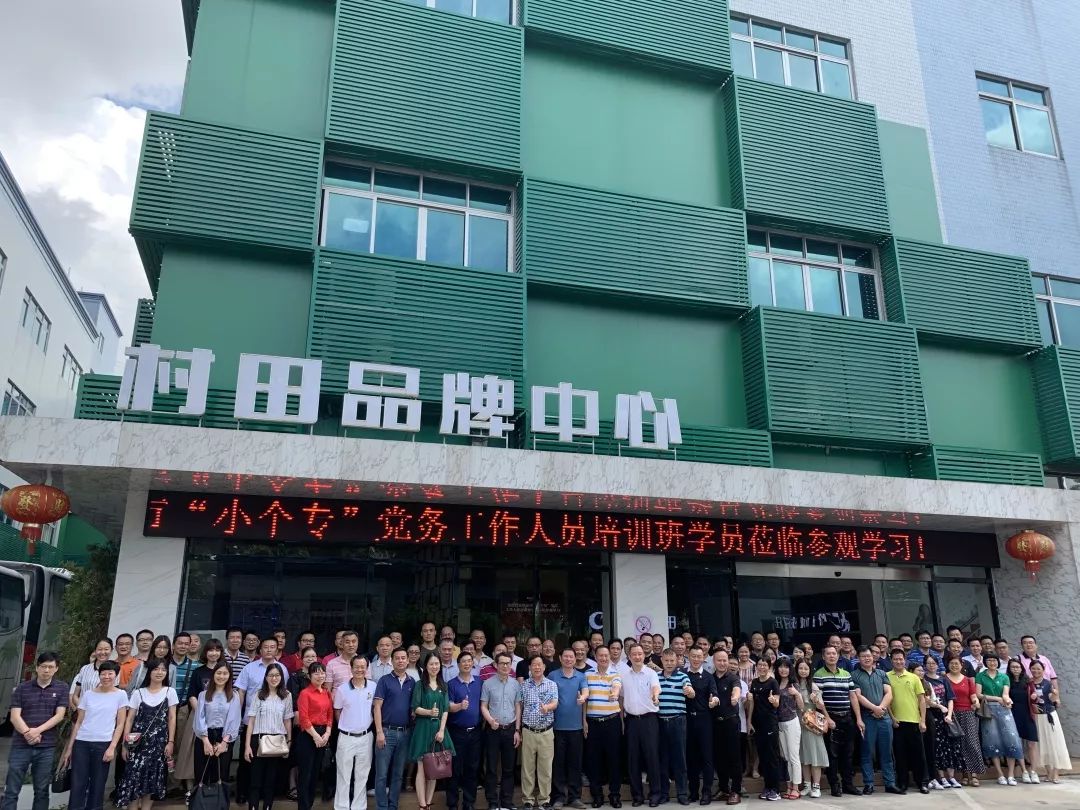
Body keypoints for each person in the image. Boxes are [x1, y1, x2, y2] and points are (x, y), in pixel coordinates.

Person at [3, 651, 68, 810]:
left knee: (42, 790)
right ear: (37, 667)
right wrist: (28, 733)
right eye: (43, 666)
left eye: (50, 667)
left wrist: (36, 731)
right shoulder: (22, 688)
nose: (46, 670)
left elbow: (59, 715)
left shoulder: (62, 688)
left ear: (56, 668)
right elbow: (15, 716)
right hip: (20, 745)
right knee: (11, 790)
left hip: (46, 747)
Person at [60, 660, 128, 810]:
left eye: (110, 673)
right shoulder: (88, 694)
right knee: (78, 783)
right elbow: (79, 722)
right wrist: (69, 749)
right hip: (81, 743)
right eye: (103, 673)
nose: (106, 677)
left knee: (98, 784)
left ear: (116, 676)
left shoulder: (121, 695)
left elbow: (120, 724)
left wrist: (112, 747)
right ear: (99, 675)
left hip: (103, 744)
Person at [116, 658, 179, 810]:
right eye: (156, 669)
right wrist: (125, 745)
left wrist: (170, 742)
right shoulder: (138, 693)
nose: (159, 672)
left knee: (152, 780)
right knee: (133, 779)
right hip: (137, 744)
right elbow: (130, 719)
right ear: (149, 671)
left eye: (163, 670)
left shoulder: (170, 692)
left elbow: (172, 718)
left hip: (159, 743)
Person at [406, 652, 455, 810]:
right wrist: (429, 712)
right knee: (421, 768)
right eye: (431, 664)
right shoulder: (420, 684)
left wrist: (442, 730)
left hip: (438, 729)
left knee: (435, 767)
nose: (434, 667)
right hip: (423, 728)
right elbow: (415, 707)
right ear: (426, 666)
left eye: (436, 664)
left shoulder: (443, 685)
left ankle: (428, 803)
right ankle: (422, 805)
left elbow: (445, 710)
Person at [813, 645, 861, 797]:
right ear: (823, 657)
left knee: (848, 753)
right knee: (832, 754)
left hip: (847, 717)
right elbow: (818, 701)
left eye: (834, 653)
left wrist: (858, 718)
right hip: (830, 719)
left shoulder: (846, 674)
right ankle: (834, 785)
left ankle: (848, 784)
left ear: (838, 656)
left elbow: (853, 696)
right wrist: (827, 718)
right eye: (828, 654)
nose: (832, 656)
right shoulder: (818, 675)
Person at [244, 663, 294, 810]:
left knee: (270, 780)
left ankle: (267, 806)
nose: (274, 678)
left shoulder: (287, 696)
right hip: (258, 739)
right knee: (255, 780)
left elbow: (287, 720)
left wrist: (289, 741)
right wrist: (247, 745)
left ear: (282, 677)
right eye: (271, 675)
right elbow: (251, 721)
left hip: (277, 741)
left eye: (277, 675)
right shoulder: (259, 695)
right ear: (266, 677)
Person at [850, 645, 898, 794]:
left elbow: (889, 693)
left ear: (873, 657)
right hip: (867, 717)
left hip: (884, 718)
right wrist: (874, 708)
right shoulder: (854, 675)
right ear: (858, 658)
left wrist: (881, 708)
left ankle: (890, 783)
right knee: (867, 752)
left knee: (886, 751)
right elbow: (857, 696)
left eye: (869, 656)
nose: (867, 658)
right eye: (863, 656)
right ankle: (869, 784)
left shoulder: (882, 673)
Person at [373, 648, 415, 810]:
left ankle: (393, 806)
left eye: (403, 658)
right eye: (397, 658)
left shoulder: (412, 682)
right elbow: (377, 707)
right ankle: (382, 807)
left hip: (405, 733)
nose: (400, 661)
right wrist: (379, 732)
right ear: (393, 661)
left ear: (408, 660)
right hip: (386, 732)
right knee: (382, 774)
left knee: (398, 774)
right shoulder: (384, 680)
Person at [333, 656, 376, 810]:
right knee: (343, 775)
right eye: (356, 667)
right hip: (346, 737)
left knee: (362, 775)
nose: (359, 670)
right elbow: (337, 711)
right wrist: (347, 726)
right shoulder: (342, 689)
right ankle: (341, 807)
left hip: (366, 736)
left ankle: (359, 807)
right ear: (351, 669)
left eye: (363, 667)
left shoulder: (373, 687)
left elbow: (375, 709)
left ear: (367, 668)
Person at [192, 663, 241, 793]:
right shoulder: (203, 695)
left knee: (221, 773)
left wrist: (224, 742)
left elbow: (234, 719)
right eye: (218, 673)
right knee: (202, 772)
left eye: (225, 673)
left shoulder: (234, 696)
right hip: (204, 735)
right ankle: (200, 801)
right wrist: (205, 741)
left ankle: (219, 801)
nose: (221, 676)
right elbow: (199, 717)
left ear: (229, 676)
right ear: (213, 675)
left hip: (224, 735)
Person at [622, 643, 661, 807]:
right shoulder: (624, 675)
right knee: (633, 759)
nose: (637, 657)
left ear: (644, 655)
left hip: (649, 720)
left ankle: (655, 794)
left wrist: (655, 696)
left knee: (652, 757)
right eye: (634, 654)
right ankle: (637, 796)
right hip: (631, 721)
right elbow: (621, 698)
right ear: (629, 656)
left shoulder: (651, 673)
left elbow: (656, 688)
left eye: (640, 654)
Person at [481, 652, 521, 810]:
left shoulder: (515, 684)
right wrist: (490, 720)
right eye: (502, 663)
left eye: (508, 663)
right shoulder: (487, 684)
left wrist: (517, 730)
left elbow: (518, 707)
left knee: (509, 768)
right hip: (493, 730)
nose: (505, 666)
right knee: (491, 767)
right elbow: (483, 706)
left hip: (510, 729)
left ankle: (507, 801)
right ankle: (492, 801)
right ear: (496, 665)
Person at [974, 653, 1022, 785]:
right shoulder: (980, 676)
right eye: (989, 660)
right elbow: (978, 694)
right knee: (992, 739)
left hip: (1004, 709)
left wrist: (1006, 699)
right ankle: (1000, 774)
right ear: (985, 662)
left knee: (1011, 738)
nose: (992, 662)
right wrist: (997, 698)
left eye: (994, 660)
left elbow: (1005, 693)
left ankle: (1011, 774)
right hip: (988, 709)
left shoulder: (1004, 676)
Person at [584, 645, 623, 808]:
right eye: (601, 655)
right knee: (594, 760)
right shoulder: (587, 675)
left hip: (611, 721)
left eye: (606, 656)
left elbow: (616, 687)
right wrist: (584, 721)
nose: (604, 658)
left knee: (614, 759)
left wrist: (614, 693)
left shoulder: (615, 674)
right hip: (593, 723)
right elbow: (585, 700)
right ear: (595, 656)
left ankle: (615, 795)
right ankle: (597, 795)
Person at [551, 649, 589, 809]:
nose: (568, 659)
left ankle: (574, 797)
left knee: (575, 764)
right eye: (565, 656)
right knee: (558, 764)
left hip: (576, 728)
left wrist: (583, 697)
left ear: (575, 659)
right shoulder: (552, 676)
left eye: (571, 657)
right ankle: (558, 797)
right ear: (560, 658)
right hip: (556, 727)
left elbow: (585, 691)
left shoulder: (581, 676)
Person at [520, 655, 559, 810]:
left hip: (546, 732)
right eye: (534, 665)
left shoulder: (551, 684)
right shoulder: (524, 685)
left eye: (539, 664)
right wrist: (518, 729)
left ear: (544, 667)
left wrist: (547, 708)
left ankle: (544, 800)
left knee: (545, 768)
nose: (537, 667)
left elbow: (555, 703)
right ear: (530, 667)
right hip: (528, 731)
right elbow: (520, 706)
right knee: (527, 768)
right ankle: (528, 800)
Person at [886, 651, 928, 794]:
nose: (898, 662)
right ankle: (903, 783)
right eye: (895, 659)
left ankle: (922, 782)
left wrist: (922, 720)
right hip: (897, 722)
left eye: (901, 659)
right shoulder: (886, 676)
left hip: (914, 721)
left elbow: (921, 700)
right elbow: (887, 700)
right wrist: (892, 718)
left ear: (905, 661)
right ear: (891, 661)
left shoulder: (914, 677)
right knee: (900, 755)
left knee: (918, 755)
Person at [446, 652, 483, 810]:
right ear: (458, 664)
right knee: (454, 769)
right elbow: (448, 706)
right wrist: (460, 706)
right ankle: (452, 804)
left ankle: (469, 803)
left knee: (472, 768)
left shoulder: (479, 682)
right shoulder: (451, 684)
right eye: (463, 661)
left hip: (475, 732)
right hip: (456, 732)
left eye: (469, 661)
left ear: (473, 664)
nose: (467, 664)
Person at [295, 663, 332, 810]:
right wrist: (316, 736)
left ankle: (309, 804)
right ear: (309, 676)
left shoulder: (326, 692)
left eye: (322, 673)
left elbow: (330, 715)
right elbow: (303, 718)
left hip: (323, 735)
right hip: (308, 735)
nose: (320, 676)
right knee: (306, 774)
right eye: (316, 673)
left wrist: (327, 733)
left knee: (316, 773)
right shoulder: (305, 693)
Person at [657, 649, 691, 805]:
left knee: (680, 759)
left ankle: (682, 793)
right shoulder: (656, 677)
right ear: (662, 661)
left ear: (677, 661)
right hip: (660, 722)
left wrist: (690, 691)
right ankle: (664, 793)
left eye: (672, 661)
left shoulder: (683, 676)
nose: (669, 663)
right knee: (663, 759)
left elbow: (690, 691)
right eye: (666, 661)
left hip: (678, 721)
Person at [922, 655, 962, 789]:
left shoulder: (944, 679)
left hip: (946, 717)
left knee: (950, 747)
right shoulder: (924, 680)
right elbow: (926, 700)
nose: (931, 665)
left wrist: (949, 714)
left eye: (933, 663)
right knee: (937, 748)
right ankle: (942, 778)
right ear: (924, 665)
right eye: (928, 663)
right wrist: (939, 707)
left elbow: (950, 699)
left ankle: (952, 777)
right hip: (932, 716)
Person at [943, 654, 982, 786]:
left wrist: (976, 702)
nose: (954, 666)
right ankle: (964, 773)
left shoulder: (968, 680)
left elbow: (973, 696)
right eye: (952, 663)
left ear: (962, 665)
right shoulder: (944, 679)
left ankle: (974, 774)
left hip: (967, 713)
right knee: (958, 745)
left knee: (971, 742)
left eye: (957, 663)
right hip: (951, 714)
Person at [1028, 659, 1070, 784]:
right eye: (1033, 668)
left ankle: (1055, 773)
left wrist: (1055, 695)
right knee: (1042, 745)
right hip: (1036, 717)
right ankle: (1048, 772)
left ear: (1043, 670)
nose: (1036, 671)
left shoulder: (1048, 683)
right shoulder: (1028, 684)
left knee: (1054, 743)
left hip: (1048, 716)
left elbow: (1053, 699)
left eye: (1038, 669)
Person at [746, 658, 781, 802]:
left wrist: (774, 701)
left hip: (770, 723)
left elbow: (777, 703)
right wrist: (749, 721)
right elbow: (752, 703)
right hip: (757, 724)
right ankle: (767, 787)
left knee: (772, 757)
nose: (762, 667)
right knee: (763, 757)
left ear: (769, 667)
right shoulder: (754, 683)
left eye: (764, 665)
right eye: (759, 665)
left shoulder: (773, 682)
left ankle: (775, 789)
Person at [711, 651, 744, 806]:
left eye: (725, 660)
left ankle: (736, 790)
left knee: (734, 758)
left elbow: (737, 689)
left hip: (731, 722)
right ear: (714, 661)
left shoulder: (733, 678)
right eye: (719, 660)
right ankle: (723, 788)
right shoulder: (710, 678)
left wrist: (735, 697)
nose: (722, 663)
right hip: (715, 723)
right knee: (719, 758)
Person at [684, 647, 715, 806]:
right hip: (687, 720)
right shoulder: (682, 674)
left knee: (706, 757)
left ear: (703, 658)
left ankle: (707, 792)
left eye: (699, 656)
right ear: (688, 657)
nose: (696, 659)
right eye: (693, 656)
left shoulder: (709, 677)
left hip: (704, 720)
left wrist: (714, 701)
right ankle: (693, 791)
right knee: (691, 758)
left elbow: (714, 694)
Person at [793, 660, 827, 799]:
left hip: (811, 724)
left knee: (814, 754)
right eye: (800, 668)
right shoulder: (793, 685)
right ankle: (806, 785)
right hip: (797, 722)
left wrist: (816, 700)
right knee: (803, 755)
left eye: (806, 668)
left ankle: (816, 786)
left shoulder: (813, 685)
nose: (803, 671)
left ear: (809, 671)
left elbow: (821, 707)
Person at [772, 658, 803, 801]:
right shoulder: (775, 683)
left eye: (786, 667)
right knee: (785, 757)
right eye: (780, 667)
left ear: (790, 669)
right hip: (779, 723)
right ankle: (789, 786)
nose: (783, 669)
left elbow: (801, 707)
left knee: (793, 756)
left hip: (791, 722)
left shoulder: (794, 684)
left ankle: (796, 787)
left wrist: (797, 694)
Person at [1005, 659, 1039, 784]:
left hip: (1027, 714)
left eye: (1018, 667)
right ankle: (1021, 771)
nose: (1015, 669)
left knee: (1031, 744)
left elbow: (1035, 697)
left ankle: (1033, 771)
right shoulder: (1007, 681)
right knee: (1015, 744)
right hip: (1012, 715)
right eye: (1013, 667)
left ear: (1022, 668)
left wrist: (1034, 697)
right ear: (1009, 669)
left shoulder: (1028, 681)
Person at [71, 637, 114, 709]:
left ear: (111, 650)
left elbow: (114, 697)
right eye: (100, 649)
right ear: (95, 650)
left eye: (106, 649)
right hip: (82, 711)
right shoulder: (85, 669)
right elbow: (75, 695)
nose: (102, 652)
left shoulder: (115, 670)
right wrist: (82, 708)